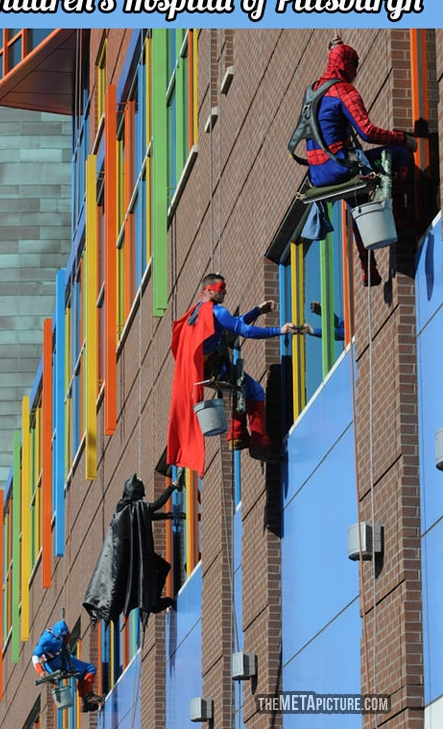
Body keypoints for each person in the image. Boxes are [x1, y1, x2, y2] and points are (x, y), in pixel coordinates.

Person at [303, 36, 418, 286]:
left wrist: (333, 48)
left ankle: (369, 269)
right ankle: (396, 214)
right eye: (354, 65)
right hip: (339, 164)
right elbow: (367, 132)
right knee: (396, 155)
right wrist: (403, 138)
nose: (355, 72)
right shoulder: (344, 90)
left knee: (358, 203)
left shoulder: (312, 92)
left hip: (318, 173)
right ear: (348, 65)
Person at [167, 273, 297, 471]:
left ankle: (237, 434)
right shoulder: (216, 311)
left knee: (241, 388)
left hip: (201, 370)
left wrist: (256, 312)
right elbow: (242, 330)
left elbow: (231, 323)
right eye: (222, 289)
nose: (225, 292)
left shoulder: (195, 313)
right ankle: (259, 441)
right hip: (215, 367)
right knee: (255, 391)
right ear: (210, 291)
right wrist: (279, 330)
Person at [83, 470, 185, 627]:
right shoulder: (131, 508)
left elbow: (145, 515)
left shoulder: (124, 508)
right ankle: (153, 602)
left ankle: (153, 601)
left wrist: (169, 516)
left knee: (164, 567)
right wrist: (172, 486)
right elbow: (154, 506)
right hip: (137, 559)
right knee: (164, 567)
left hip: (136, 558)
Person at [32, 619, 104, 713]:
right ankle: (88, 698)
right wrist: (40, 672)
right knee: (89, 669)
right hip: (54, 663)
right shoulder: (46, 640)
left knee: (85, 672)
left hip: (62, 658)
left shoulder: (59, 633)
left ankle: (87, 700)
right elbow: (35, 656)